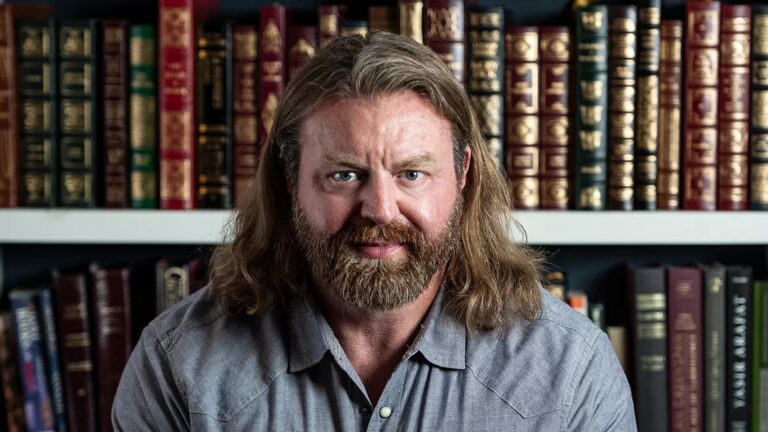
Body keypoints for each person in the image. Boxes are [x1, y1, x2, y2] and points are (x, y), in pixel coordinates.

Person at [112, 32, 636, 431]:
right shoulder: (177, 365)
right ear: (291, 180)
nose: (381, 209)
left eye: (412, 174)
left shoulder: (571, 371)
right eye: (344, 175)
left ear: (463, 177)